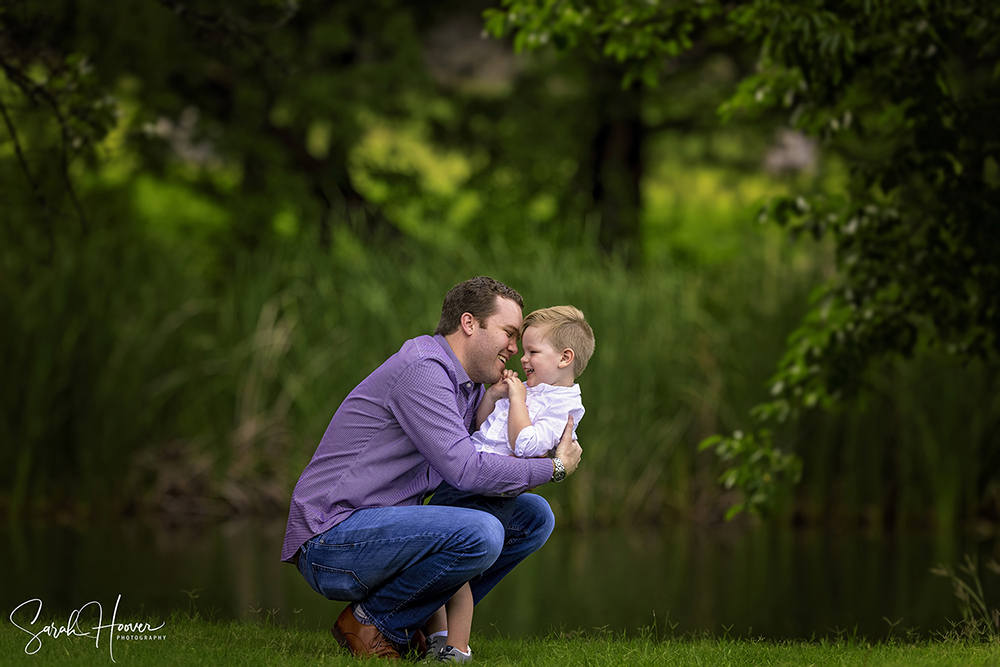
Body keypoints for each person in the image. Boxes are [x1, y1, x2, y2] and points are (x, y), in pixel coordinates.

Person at [280, 277, 583, 660]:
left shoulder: (471, 385)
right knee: (482, 531)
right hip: (331, 537)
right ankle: (371, 622)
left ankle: (410, 623)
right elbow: (467, 470)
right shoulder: (423, 370)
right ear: (469, 324)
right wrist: (554, 469)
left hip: (384, 527)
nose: (513, 348)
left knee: (534, 517)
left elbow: (488, 457)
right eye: (508, 333)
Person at [424, 305, 595, 663]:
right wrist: (495, 396)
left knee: (455, 569)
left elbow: (527, 445)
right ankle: (435, 638)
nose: (524, 358)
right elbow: (483, 428)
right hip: (465, 478)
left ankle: (457, 648)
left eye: (533, 351)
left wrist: (518, 399)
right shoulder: (533, 390)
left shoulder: (563, 407)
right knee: (433, 560)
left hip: (491, 490)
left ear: (566, 358)